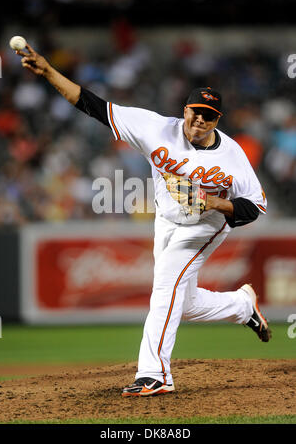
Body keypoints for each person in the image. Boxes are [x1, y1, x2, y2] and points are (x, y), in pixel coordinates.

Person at [16, 44, 271, 397]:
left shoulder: (232, 157)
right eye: (196, 112)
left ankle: (155, 374)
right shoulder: (154, 127)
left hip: (206, 225)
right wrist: (47, 72)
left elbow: (255, 207)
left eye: (209, 116)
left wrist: (213, 202)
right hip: (166, 221)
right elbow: (92, 105)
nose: (200, 120)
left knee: (165, 288)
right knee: (182, 301)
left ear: (217, 120)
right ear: (185, 110)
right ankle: (241, 306)